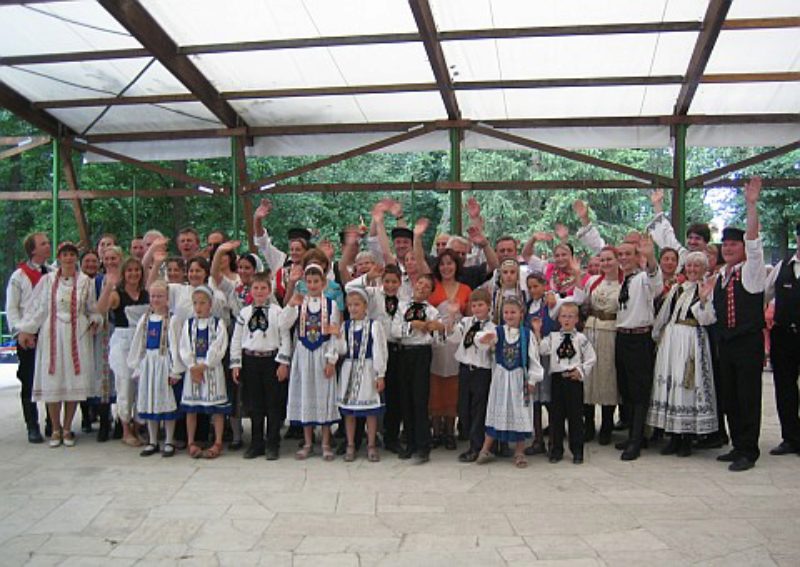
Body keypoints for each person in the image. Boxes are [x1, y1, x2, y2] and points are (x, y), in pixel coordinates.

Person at [705, 177, 766, 472]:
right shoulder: (721, 277)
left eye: (733, 244)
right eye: (725, 245)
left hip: (747, 342)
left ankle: (748, 450)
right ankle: (737, 444)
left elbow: (754, 244)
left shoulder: (751, 272)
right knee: (729, 395)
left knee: (747, 396)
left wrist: (750, 205)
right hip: (726, 343)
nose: (728, 249)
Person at [17, 242, 102, 447]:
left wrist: (94, 319)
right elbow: (37, 308)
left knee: (73, 380)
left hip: (76, 334)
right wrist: (27, 329)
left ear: (76, 258)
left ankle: (67, 428)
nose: (69, 258)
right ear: (59, 257)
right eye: (65, 254)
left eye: (72, 254)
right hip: (52, 333)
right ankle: (55, 428)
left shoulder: (85, 282)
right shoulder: (47, 280)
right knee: (52, 378)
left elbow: (92, 308)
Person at [647, 252, 718, 457]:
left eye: (697, 266)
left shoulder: (705, 290)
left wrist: (703, 301)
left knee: (687, 383)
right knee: (671, 384)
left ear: (704, 269)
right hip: (672, 338)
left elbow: (707, 319)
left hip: (691, 340)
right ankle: (674, 436)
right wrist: (657, 336)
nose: (692, 269)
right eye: (689, 266)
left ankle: (687, 437)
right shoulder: (678, 289)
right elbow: (665, 314)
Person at [280, 259, 342, 461]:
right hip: (304, 354)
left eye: (316, 281)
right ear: (304, 283)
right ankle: (307, 442)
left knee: (323, 397)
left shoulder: (331, 305)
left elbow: (335, 333)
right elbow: (282, 324)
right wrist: (290, 304)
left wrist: (332, 360)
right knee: (306, 394)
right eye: (309, 281)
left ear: (323, 283)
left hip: (323, 352)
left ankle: (325, 442)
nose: (313, 285)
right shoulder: (299, 303)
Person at [476, 297, 544, 468]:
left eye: (513, 312)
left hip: (519, 379)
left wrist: (533, 380)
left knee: (519, 411)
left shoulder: (527, 334)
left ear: (521, 314)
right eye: (506, 312)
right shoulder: (498, 331)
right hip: (501, 378)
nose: (509, 315)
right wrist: (485, 338)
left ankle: (519, 451)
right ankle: (485, 449)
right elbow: (482, 339)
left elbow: (534, 359)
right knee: (496, 409)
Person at [230, 272, 291, 460]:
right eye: (256, 288)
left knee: (273, 404)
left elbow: (285, 337)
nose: (259, 291)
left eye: (263, 288)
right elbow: (237, 339)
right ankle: (256, 443)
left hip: (271, 360)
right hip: (250, 360)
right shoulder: (244, 313)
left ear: (269, 290)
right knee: (255, 404)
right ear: (250, 290)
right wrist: (235, 363)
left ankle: (272, 443)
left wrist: (283, 362)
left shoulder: (277, 312)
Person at [615, 234, 662, 461]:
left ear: (637, 256)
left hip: (639, 338)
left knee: (639, 390)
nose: (623, 258)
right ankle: (634, 434)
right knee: (626, 389)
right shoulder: (624, 280)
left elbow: (656, 280)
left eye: (628, 254)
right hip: (622, 336)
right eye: (620, 254)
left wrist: (651, 257)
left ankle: (636, 440)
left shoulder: (644, 278)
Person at [96, 257, 150, 447]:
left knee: (142, 385)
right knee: (125, 385)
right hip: (123, 343)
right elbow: (100, 309)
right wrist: (108, 286)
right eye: (130, 271)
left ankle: (138, 426)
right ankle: (126, 428)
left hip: (142, 342)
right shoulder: (116, 294)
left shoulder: (146, 294)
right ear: (124, 274)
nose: (134, 274)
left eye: (137, 270)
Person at [391, 273, 443, 463]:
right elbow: (394, 330)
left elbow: (437, 339)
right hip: (404, 352)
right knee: (405, 397)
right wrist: (412, 326)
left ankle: (423, 445)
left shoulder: (432, 311)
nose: (421, 287)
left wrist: (435, 328)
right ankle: (410, 442)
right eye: (420, 282)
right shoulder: (402, 306)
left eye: (427, 286)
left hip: (422, 353)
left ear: (430, 292)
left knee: (420, 399)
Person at [536, 301, 596, 464]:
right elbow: (542, 349)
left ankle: (577, 450)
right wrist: (537, 331)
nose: (567, 319)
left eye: (571, 316)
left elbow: (591, 358)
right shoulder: (553, 337)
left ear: (577, 319)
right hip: (558, 379)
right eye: (563, 316)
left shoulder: (581, 338)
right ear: (559, 319)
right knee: (556, 416)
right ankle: (556, 450)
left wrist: (581, 371)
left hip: (574, 380)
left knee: (575, 416)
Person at [573, 246, 622, 446]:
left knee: (608, 375)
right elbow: (580, 301)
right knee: (589, 375)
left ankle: (608, 424)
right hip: (591, 330)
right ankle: (589, 424)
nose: (606, 264)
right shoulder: (593, 282)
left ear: (617, 260)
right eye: (602, 260)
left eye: (609, 259)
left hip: (611, 331)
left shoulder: (624, 283)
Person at [5, 232, 52, 443]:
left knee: (52, 379)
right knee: (28, 381)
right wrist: (20, 332)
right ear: (33, 250)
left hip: (49, 335)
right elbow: (12, 308)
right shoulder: (19, 276)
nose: (48, 245)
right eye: (43, 243)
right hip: (28, 336)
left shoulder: (52, 272)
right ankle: (32, 425)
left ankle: (54, 422)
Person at [334, 287, 388, 462]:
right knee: (350, 412)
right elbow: (342, 350)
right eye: (350, 305)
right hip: (350, 368)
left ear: (365, 306)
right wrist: (337, 337)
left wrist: (380, 374)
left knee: (370, 411)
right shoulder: (346, 326)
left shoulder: (374, 326)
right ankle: (350, 444)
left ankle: (371, 444)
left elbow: (380, 350)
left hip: (368, 369)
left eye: (357, 304)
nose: (353, 308)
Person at [127, 280, 180, 457]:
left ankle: (169, 440)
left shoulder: (172, 320)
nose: (156, 299)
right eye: (153, 296)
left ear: (167, 298)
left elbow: (176, 346)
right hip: (149, 363)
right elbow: (138, 343)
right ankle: (152, 440)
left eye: (160, 296)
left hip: (164, 363)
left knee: (166, 401)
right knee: (149, 401)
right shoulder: (145, 318)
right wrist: (137, 366)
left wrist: (175, 370)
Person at [177, 285, 231, 459]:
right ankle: (191, 441)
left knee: (217, 409)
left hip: (211, 369)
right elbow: (184, 345)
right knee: (191, 408)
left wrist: (205, 364)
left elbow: (219, 345)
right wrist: (192, 365)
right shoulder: (189, 323)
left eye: (202, 303)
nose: (198, 307)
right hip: (193, 369)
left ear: (210, 304)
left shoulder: (217, 323)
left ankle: (217, 442)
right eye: (195, 303)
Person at [763, 222, 800, 456]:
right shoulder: (781, 267)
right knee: (785, 387)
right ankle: (790, 437)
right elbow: (764, 295)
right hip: (784, 334)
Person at [448, 288, 495, 462]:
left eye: (480, 305)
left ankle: (476, 447)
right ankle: (471, 439)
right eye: (474, 305)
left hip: (481, 371)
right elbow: (453, 337)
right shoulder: (467, 322)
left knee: (478, 409)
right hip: (465, 369)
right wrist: (453, 316)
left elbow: (486, 341)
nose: (477, 309)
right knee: (463, 407)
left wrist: (483, 340)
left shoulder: (493, 327)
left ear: (488, 306)